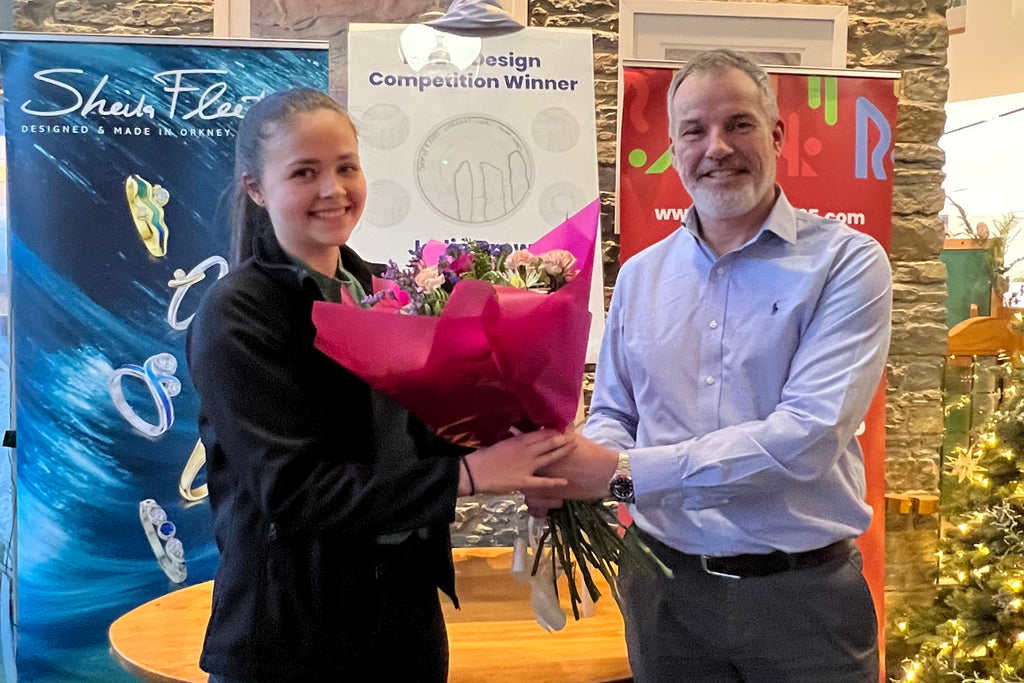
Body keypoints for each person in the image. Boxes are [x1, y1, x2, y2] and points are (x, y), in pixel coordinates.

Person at [526, 49, 892, 682]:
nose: (717, 147)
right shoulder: (640, 275)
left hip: (802, 603)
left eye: (739, 124)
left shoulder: (848, 263)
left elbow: (807, 436)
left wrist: (619, 475)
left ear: (776, 134)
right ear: (673, 147)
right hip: (664, 592)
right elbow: (617, 412)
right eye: (695, 131)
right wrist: (571, 473)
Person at [185, 88, 570, 683]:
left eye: (346, 167)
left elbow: (410, 436)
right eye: (304, 173)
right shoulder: (238, 313)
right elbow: (294, 492)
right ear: (256, 189)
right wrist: (470, 477)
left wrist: (518, 447)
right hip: (293, 635)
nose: (333, 190)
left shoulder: (385, 292)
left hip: (403, 621)